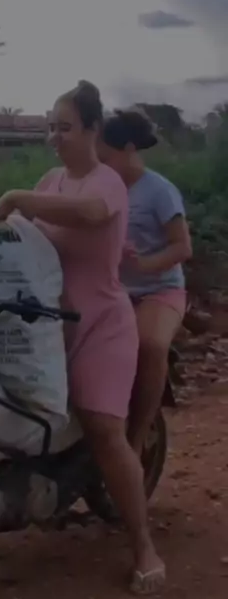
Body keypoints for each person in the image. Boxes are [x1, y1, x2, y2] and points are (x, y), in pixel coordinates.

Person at [0, 81, 164, 594]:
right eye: (50, 127)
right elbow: (19, 233)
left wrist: (16, 198)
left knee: (105, 432)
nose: (54, 137)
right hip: (47, 324)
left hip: (101, 324)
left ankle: (144, 547)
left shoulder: (107, 182)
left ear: (92, 129)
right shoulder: (52, 180)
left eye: (64, 127)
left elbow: (89, 214)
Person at [99, 109, 192, 456]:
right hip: (114, 290)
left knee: (150, 345)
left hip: (160, 290)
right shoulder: (102, 189)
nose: (100, 162)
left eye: (105, 154)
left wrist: (144, 264)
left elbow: (183, 247)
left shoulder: (159, 191)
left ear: (127, 149)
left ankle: (135, 443)